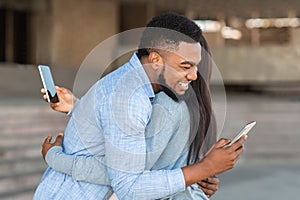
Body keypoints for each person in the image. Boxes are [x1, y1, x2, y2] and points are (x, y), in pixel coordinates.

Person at [34, 13, 246, 199]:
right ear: (155, 59)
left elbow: (123, 151)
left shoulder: (143, 90)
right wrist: (202, 169)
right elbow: (129, 185)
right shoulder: (132, 98)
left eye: (196, 66)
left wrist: (77, 109)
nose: (193, 75)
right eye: (185, 66)